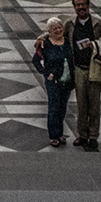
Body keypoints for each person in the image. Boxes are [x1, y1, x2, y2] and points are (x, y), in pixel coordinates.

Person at [67, 0, 101, 149]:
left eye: (83, 4)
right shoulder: (70, 24)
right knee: (81, 105)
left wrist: (95, 45)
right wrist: (42, 37)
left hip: (94, 69)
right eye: (78, 5)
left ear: (88, 6)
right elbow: (56, 33)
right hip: (79, 69)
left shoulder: (98, 24)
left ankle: (93, 135)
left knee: (94, 105)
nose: (81, 7)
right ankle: (82, 135)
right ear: (74, 8)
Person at [32, 16, 77, 147]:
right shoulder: (45, 44)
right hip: (53, 82)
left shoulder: (67, 42)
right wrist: (45, 72)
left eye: (59, 27)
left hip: (67, 80)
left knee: (63, 107)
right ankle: (53, 135)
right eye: (54, 29)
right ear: (49, 32)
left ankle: (60, 133)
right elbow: (35, 60)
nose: (58, 30)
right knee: (54, 107)